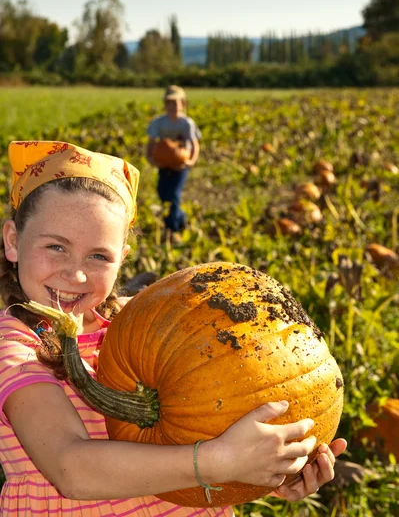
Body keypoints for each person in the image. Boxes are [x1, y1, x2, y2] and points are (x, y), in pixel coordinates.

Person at [0, 140, 347, 516]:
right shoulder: (16, 346)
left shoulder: (140, 324)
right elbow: (72, 468)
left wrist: (265, 471)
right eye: (56, 247)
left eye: (99, 255)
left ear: (122, 260)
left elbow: (212, 427)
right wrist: (217, 461)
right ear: (13, 241)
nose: (77, 273)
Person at [146, 85, 201, 243]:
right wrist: (150, 157)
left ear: (182, 104)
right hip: (164, 164)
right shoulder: (159, 122)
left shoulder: (187, 123)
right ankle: (181, 217)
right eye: (169, 103)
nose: (172, 107)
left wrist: (191, 160)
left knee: (175, 195)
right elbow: (151, 143)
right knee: (163, 193)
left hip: (181, 165)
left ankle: (172, 229)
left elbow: (195, 144)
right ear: (165, 105)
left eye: (175, 103)